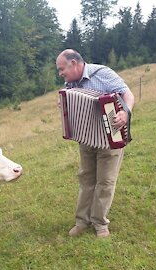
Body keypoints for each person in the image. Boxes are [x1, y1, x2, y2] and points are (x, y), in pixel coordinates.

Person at [56, 49, 135, 237]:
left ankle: (100, 223)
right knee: (86, 179)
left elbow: (128, 94)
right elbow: (71, 104)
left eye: (61, 69)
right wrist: (64, 104)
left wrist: (125, 113)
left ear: (74, 63)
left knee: (105, 181)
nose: (60, 74)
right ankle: (82, 222)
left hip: (111, 137)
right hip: (87, 139)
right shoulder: (70, 84)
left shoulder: (103, 73)